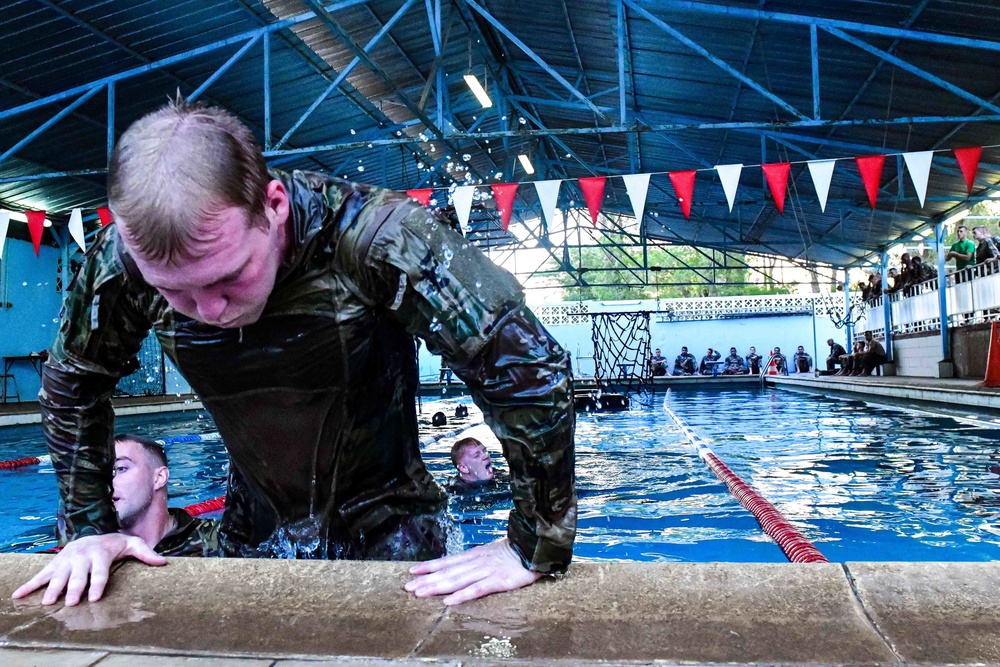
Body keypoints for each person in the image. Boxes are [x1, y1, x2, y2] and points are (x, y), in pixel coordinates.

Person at [14, 100, 575, 608]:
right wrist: (89, 527)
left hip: (394, 527)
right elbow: (73, 383)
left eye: (229, 276)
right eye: (174, 292)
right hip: (252, 527)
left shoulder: (376, 237)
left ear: (274, 205)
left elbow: (526, 368)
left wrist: (534, 542)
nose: (208, 310)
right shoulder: (123, 265)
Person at [111, 434, 220, 557]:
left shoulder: (212, 539)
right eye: (103, 473)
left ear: (159, 478)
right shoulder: (92, 544)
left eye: (120, 469)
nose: (106, 481)